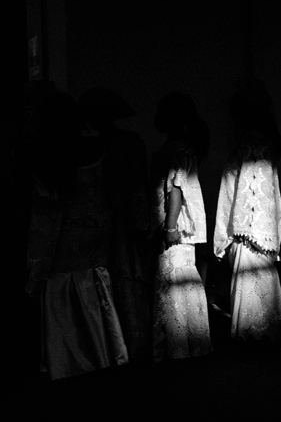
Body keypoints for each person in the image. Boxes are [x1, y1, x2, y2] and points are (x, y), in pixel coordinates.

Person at [26, 90, 128, 379]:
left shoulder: (47, 155)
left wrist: (35, 264)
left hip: (65, 240)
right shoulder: (95, 148)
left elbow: (46, 215)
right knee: (93, 293)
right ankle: (100, 352)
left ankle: (69, 362)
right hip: (97, 235)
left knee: (63, 298)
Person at [79, 87, 152, 362]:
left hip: (112, 224)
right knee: (124, 280)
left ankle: (123, 346)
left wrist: (140, 223)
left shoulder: (105, 145)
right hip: (117, 224)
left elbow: (137, 188)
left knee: (120, 279)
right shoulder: (123, 142)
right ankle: (128, 345)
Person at [214, 79, 281, 341]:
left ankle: (254, 338)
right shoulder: (258, 141)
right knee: (258, 286)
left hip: (249, 230)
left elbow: (253, 191)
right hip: (255, 228)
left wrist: (238, 232)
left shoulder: (253, 142)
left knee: (253, 285)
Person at [150, 91, 212, 361]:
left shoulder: (177, 148)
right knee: (181, 281)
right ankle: (189, 343)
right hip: (178, 227)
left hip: (175, 227)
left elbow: (176, 188)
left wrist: (170, 226)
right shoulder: (183, 146)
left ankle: (178, 346)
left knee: (173, 281)